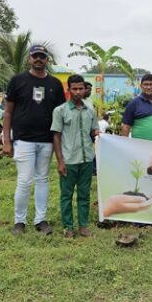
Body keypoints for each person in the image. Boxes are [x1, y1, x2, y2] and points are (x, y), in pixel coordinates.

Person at [3, 45, 66, 236]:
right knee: (24, 181)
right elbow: (7, 112)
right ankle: (19, 222)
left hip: (47, 141)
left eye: (42, 56)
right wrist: (7, 140)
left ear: (48, 60)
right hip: (23, 140)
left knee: (43, 180)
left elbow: (61, 115)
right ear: (29, 59)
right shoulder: (17, 81)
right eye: (35, 56)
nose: (39, 59)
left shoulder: (55, 84)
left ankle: (41, 220)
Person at [51, 74, 99, 238]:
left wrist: (99, 135)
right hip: (69, 160)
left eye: (81, 88)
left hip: (86, 159)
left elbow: (94, 132)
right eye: (75, 89)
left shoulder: (90, 110)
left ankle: (83, 226)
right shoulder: (60, 111)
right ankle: (68, 227)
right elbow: (56, 136)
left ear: (85, 89)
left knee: (84, 194)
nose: (78, 92)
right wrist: (60, 161)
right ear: (69, 90)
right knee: (66, 195)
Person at [122, 74, 152, 143]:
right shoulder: (134, 103)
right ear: (141, 86)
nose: (148, 87)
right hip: (142, 148)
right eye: (146, 84)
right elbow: (126, 126)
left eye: (151, 84)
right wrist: (124, 144)